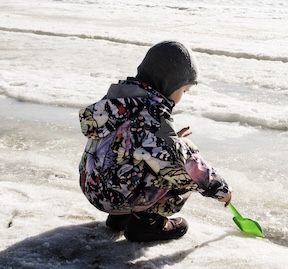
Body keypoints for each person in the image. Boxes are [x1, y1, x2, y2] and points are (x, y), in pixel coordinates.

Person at [79, 41, 232, 242]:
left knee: (154, 155)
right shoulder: (153, 114)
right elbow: (185, 166)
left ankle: (120, 218)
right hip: (115, 196)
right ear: (170, 83)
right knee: (184, 155)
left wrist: (168, 139)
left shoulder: (118, 100)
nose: (181, 98)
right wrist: (220, 189)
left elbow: (127, 142)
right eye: (183, 91)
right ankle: (147, 223)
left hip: (93, 187)